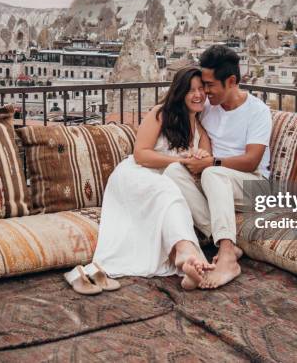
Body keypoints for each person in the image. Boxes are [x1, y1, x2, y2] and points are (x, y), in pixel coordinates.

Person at [84, 67, 214, 290]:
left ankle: (184, 260)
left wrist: (200, 157)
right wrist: (180, 162)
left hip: (165, 181)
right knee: (168, 191)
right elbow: (141, 154)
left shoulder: (201, 131)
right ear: (179, 92)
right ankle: (187, 251)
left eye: (201, 89)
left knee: (171, 197)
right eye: (191, 90)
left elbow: (203, 165)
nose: (198, 95)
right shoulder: (161, 114)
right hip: (136, 175)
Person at [164, 45, 272, 289]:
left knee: (212, 173)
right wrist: (196, 157)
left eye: (210, 85)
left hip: (254, 184)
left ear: (231, 81)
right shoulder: (208, 107)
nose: (205, 90)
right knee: (173, 171)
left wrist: (210, 163)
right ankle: (223, 240)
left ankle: (226, 257)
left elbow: (252, 160)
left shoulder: (257, 111)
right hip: (214, 180)